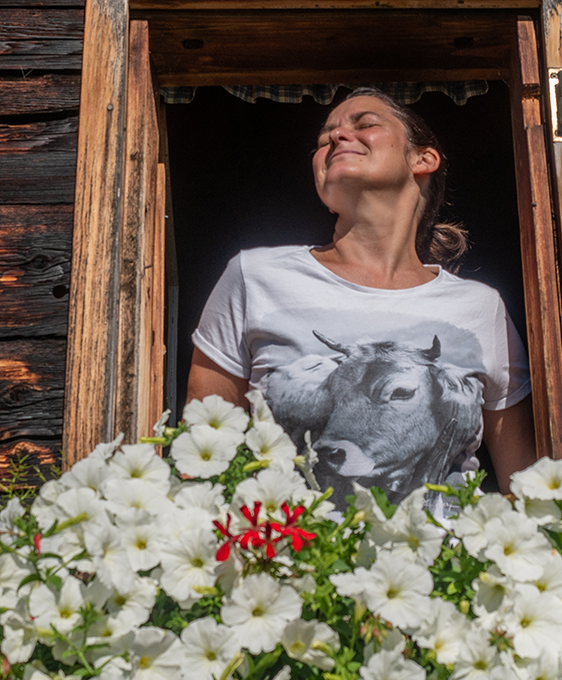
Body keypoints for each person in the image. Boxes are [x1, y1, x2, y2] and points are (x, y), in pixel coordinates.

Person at [186, 87, 536, 510]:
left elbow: (528, 486)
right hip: (289, 561)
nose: (336, 138)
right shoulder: (255, 277)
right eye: (324, 138)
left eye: (365, 124)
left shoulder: (480, 309)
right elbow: (202, 452)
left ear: (422, 159)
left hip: (442, 567)